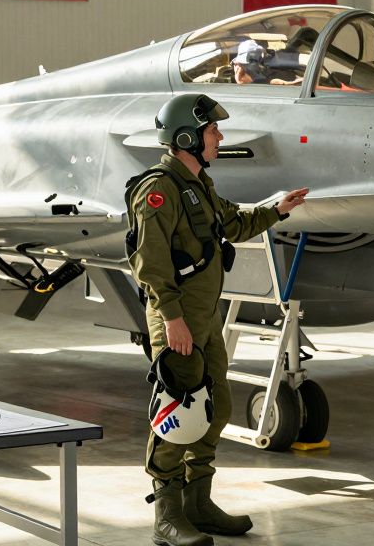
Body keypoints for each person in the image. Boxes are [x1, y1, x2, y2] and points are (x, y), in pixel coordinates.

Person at [127, 93, 308, 546]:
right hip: (178, 320)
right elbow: (149, 263)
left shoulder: (198, 185)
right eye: (212, 131)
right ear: (186, 136)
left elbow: (233, 224)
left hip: (203, 318)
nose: (219, 137)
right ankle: (167, 516)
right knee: (177, 413)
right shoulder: (159, 190)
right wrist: (172, 319)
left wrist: (278, 209)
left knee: (216, 408)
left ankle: (198, 503)